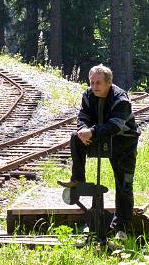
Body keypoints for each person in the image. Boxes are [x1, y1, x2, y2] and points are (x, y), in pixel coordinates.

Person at [59, 64, 140, 246]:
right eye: (92, 82)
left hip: (123, 142)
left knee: (124, 185)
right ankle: (77, 179)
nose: (94, 86)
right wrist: (83, 130)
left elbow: (115, 125)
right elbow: (83, 116)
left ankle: (121, 228)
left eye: (98, 83)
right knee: (75, 137)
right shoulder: (88, 95)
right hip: (99, 135)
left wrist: (92, 132)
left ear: (109, 83)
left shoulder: (121, 99)